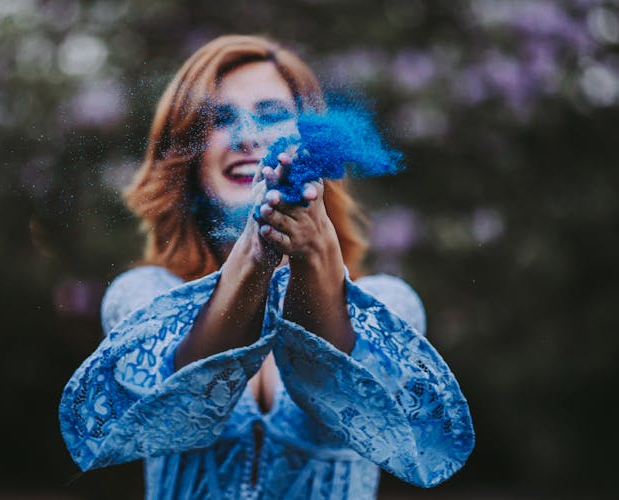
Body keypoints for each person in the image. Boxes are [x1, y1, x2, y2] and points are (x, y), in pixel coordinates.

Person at [59, 35, 474, 499]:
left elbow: (335, 371)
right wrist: (255, 256)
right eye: (219, 120)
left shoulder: (386, 307)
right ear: (188, 156)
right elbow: (184, 391)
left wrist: (315, 256)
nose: (247, 136)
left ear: (313, 138)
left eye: (273, 114)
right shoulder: (143, 299)